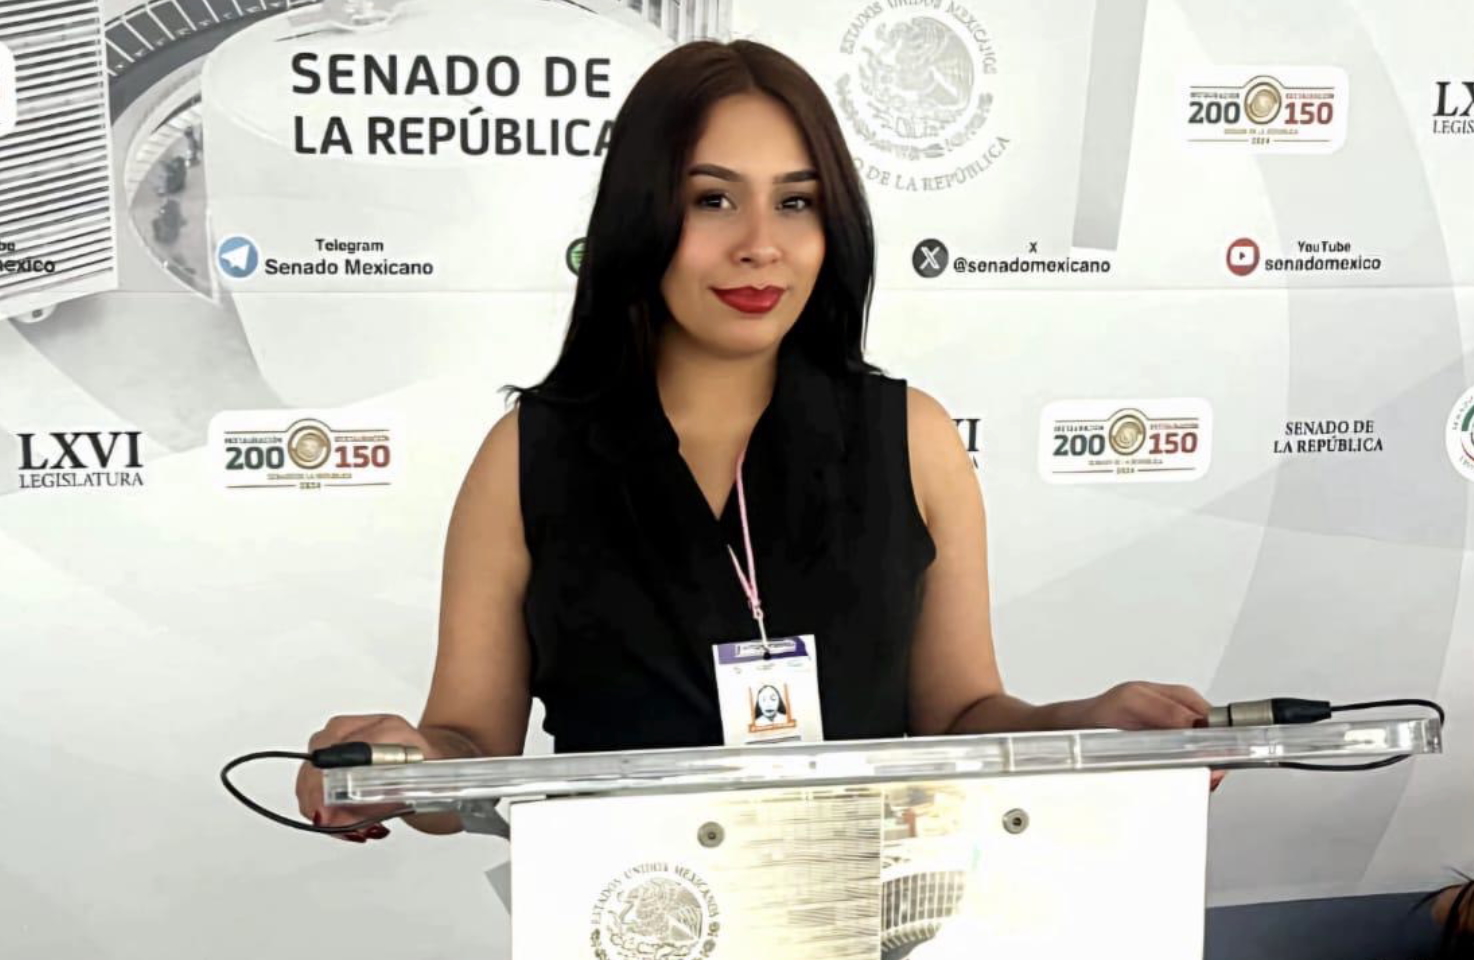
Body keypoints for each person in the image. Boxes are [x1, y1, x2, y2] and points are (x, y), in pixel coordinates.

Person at [296, 40, 1219, 843]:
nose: (760, 245)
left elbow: (962, 716)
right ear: (641, 216)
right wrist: (398, 763)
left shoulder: (914, 437)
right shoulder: (526, 455)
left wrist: (1087, 728)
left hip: (871, 916)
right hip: (625, 918)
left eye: (796, 202)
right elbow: (469, 749)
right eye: (712, 200)